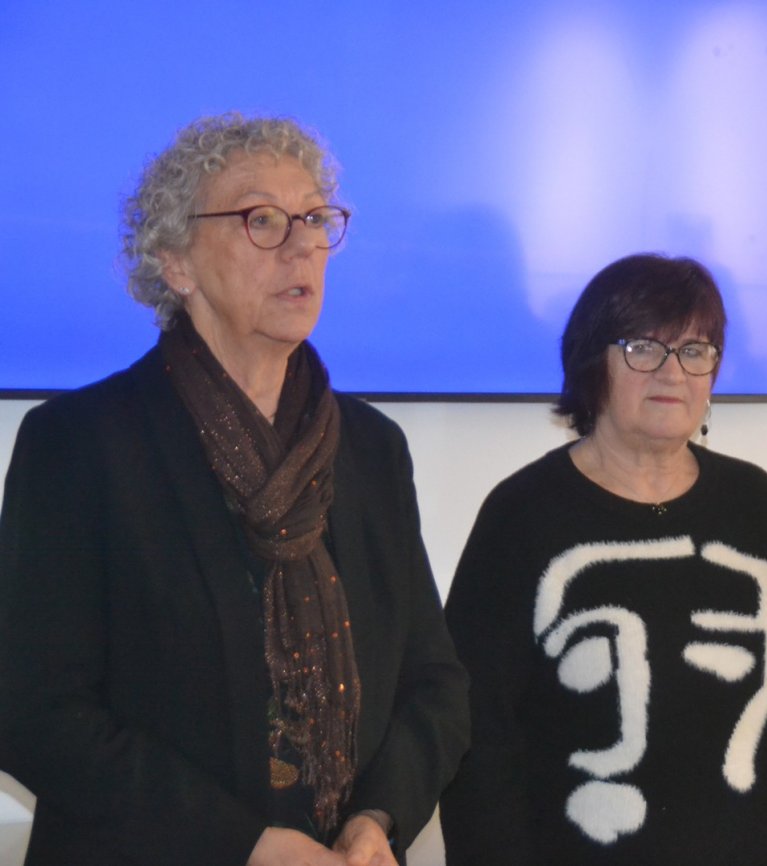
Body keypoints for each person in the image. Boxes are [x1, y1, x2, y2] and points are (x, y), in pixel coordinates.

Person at [0, 113, 470, 866]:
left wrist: (377, 819)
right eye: (262, 220)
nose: (303, 245)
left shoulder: (372, 448)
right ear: (175, 262)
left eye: (315, 220)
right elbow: (34, 711)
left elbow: (435, 684)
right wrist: (242, 845)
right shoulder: (81, 444)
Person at [438, 253, 767, 864]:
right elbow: (477, 740)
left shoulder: (756, 504)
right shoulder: (522, 515)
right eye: (644, 348)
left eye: (695, 350)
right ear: (592, 364)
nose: (673, 373)